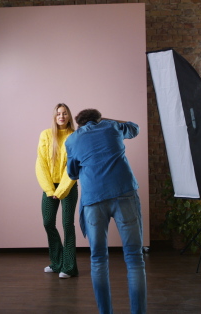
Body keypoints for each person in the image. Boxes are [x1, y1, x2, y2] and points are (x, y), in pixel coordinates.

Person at [65, 108, 146, 314]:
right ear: (99, 119)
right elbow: (134, 128)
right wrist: (108, 119)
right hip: (124, 192)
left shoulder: (72, 140)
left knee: (98, 258)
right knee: (134, 258)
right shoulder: (112, 126)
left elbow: (72, 173)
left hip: (93, 199)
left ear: (80, 123)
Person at [35, 103, 79, 279]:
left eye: (65, 113)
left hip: (68, 187)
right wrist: (49, 189)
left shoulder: (75, 137)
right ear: (54, 117)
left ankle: (69, 267)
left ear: (69, 116)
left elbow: (74, 166)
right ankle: (56, 262)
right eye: (58, 114)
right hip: (49, 187)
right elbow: (41, 163)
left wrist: (60, 190)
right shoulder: (46, 135)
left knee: (67, 225)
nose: (61, 116)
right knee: (48, 222)